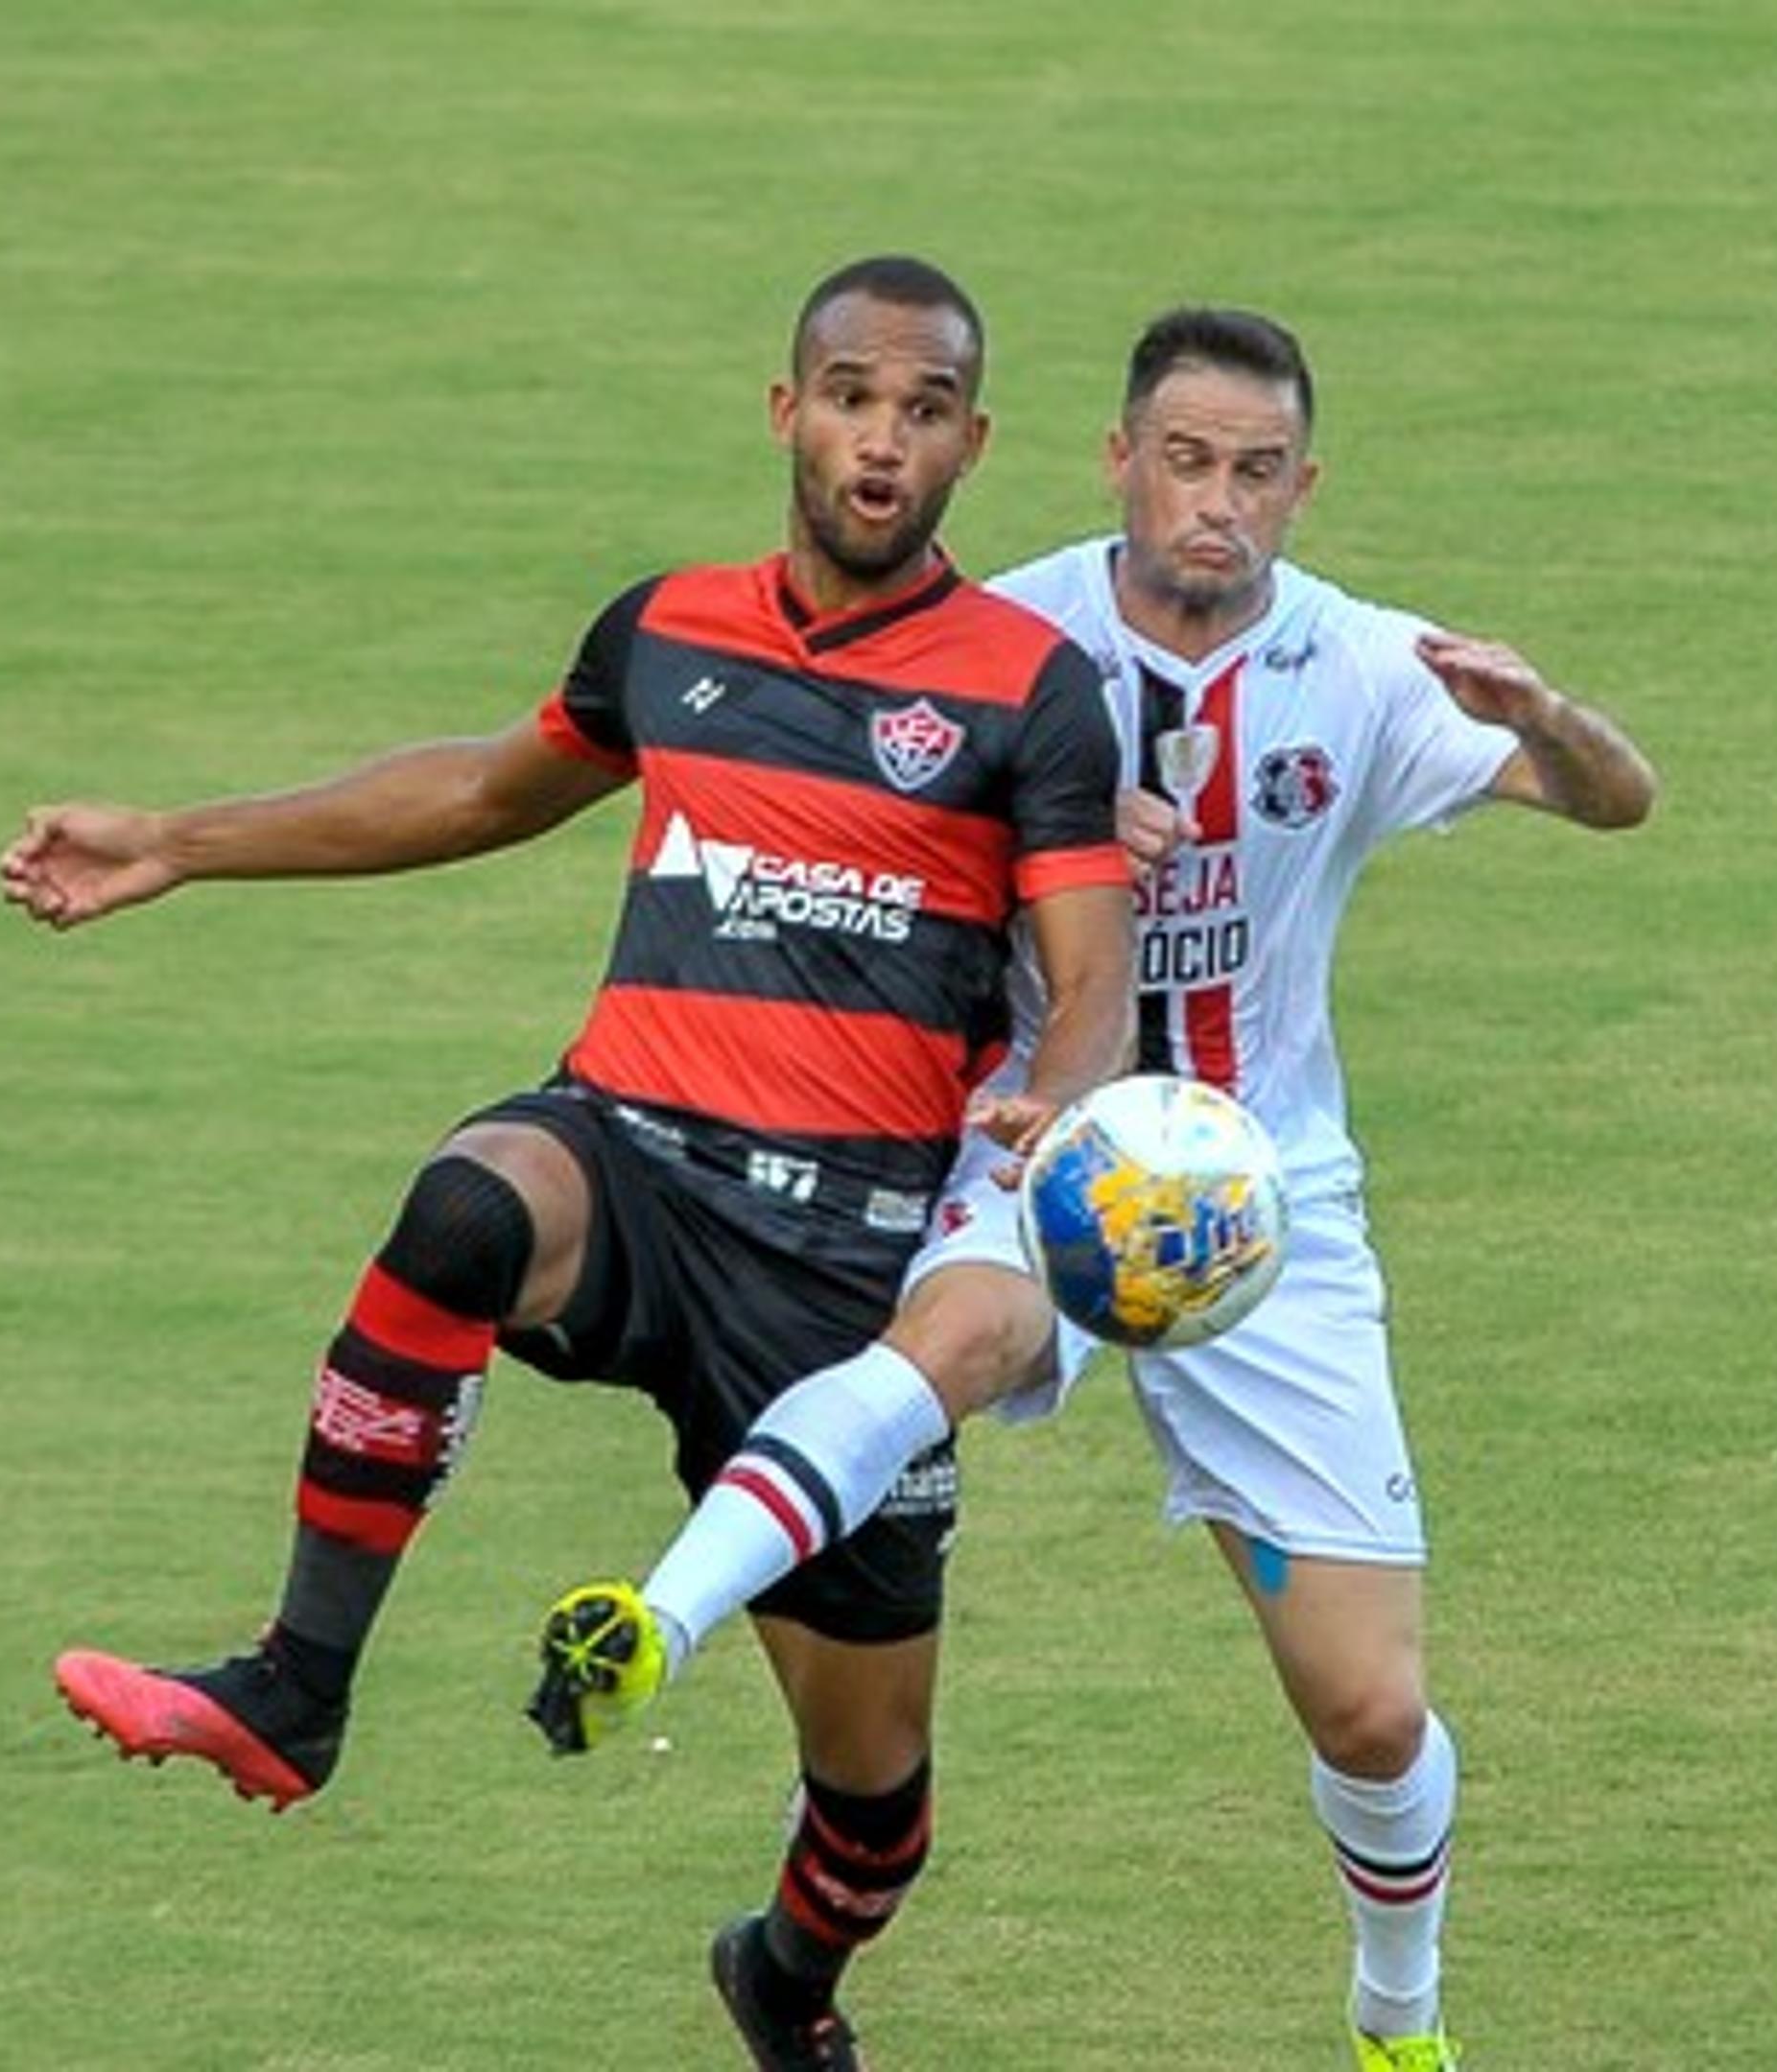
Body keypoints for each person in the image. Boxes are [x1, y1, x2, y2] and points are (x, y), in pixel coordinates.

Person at [0, 255, 1135, 2072]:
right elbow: (477, 791)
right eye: (851, 395)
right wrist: (181, 842)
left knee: (874, 1808)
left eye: (925, 411)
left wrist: (1063, 1097)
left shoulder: (1034, 692)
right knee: (465, 1207)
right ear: (788, 412)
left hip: (839, 1281)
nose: (882, 438)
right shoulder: (668, 631)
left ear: (974, 444)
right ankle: (297, 1687)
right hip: (633, 1157)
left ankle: (784, 1973)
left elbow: (1092, 978)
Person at [532, 306, 1656, 2072]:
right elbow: (860, 832)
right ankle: (653, 1624)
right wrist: (1032, 839)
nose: (1219, 504)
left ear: (1305, 487)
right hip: (1034, 1136)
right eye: (1188, 462)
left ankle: (1400, 2025)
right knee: (949, 1344)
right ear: (1120, 459)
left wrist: (1548, 716)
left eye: (1259, 473)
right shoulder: (1009, 638)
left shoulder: (1362, 667)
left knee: (1370, 1710)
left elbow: (1617, 802)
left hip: (1260, 1190)